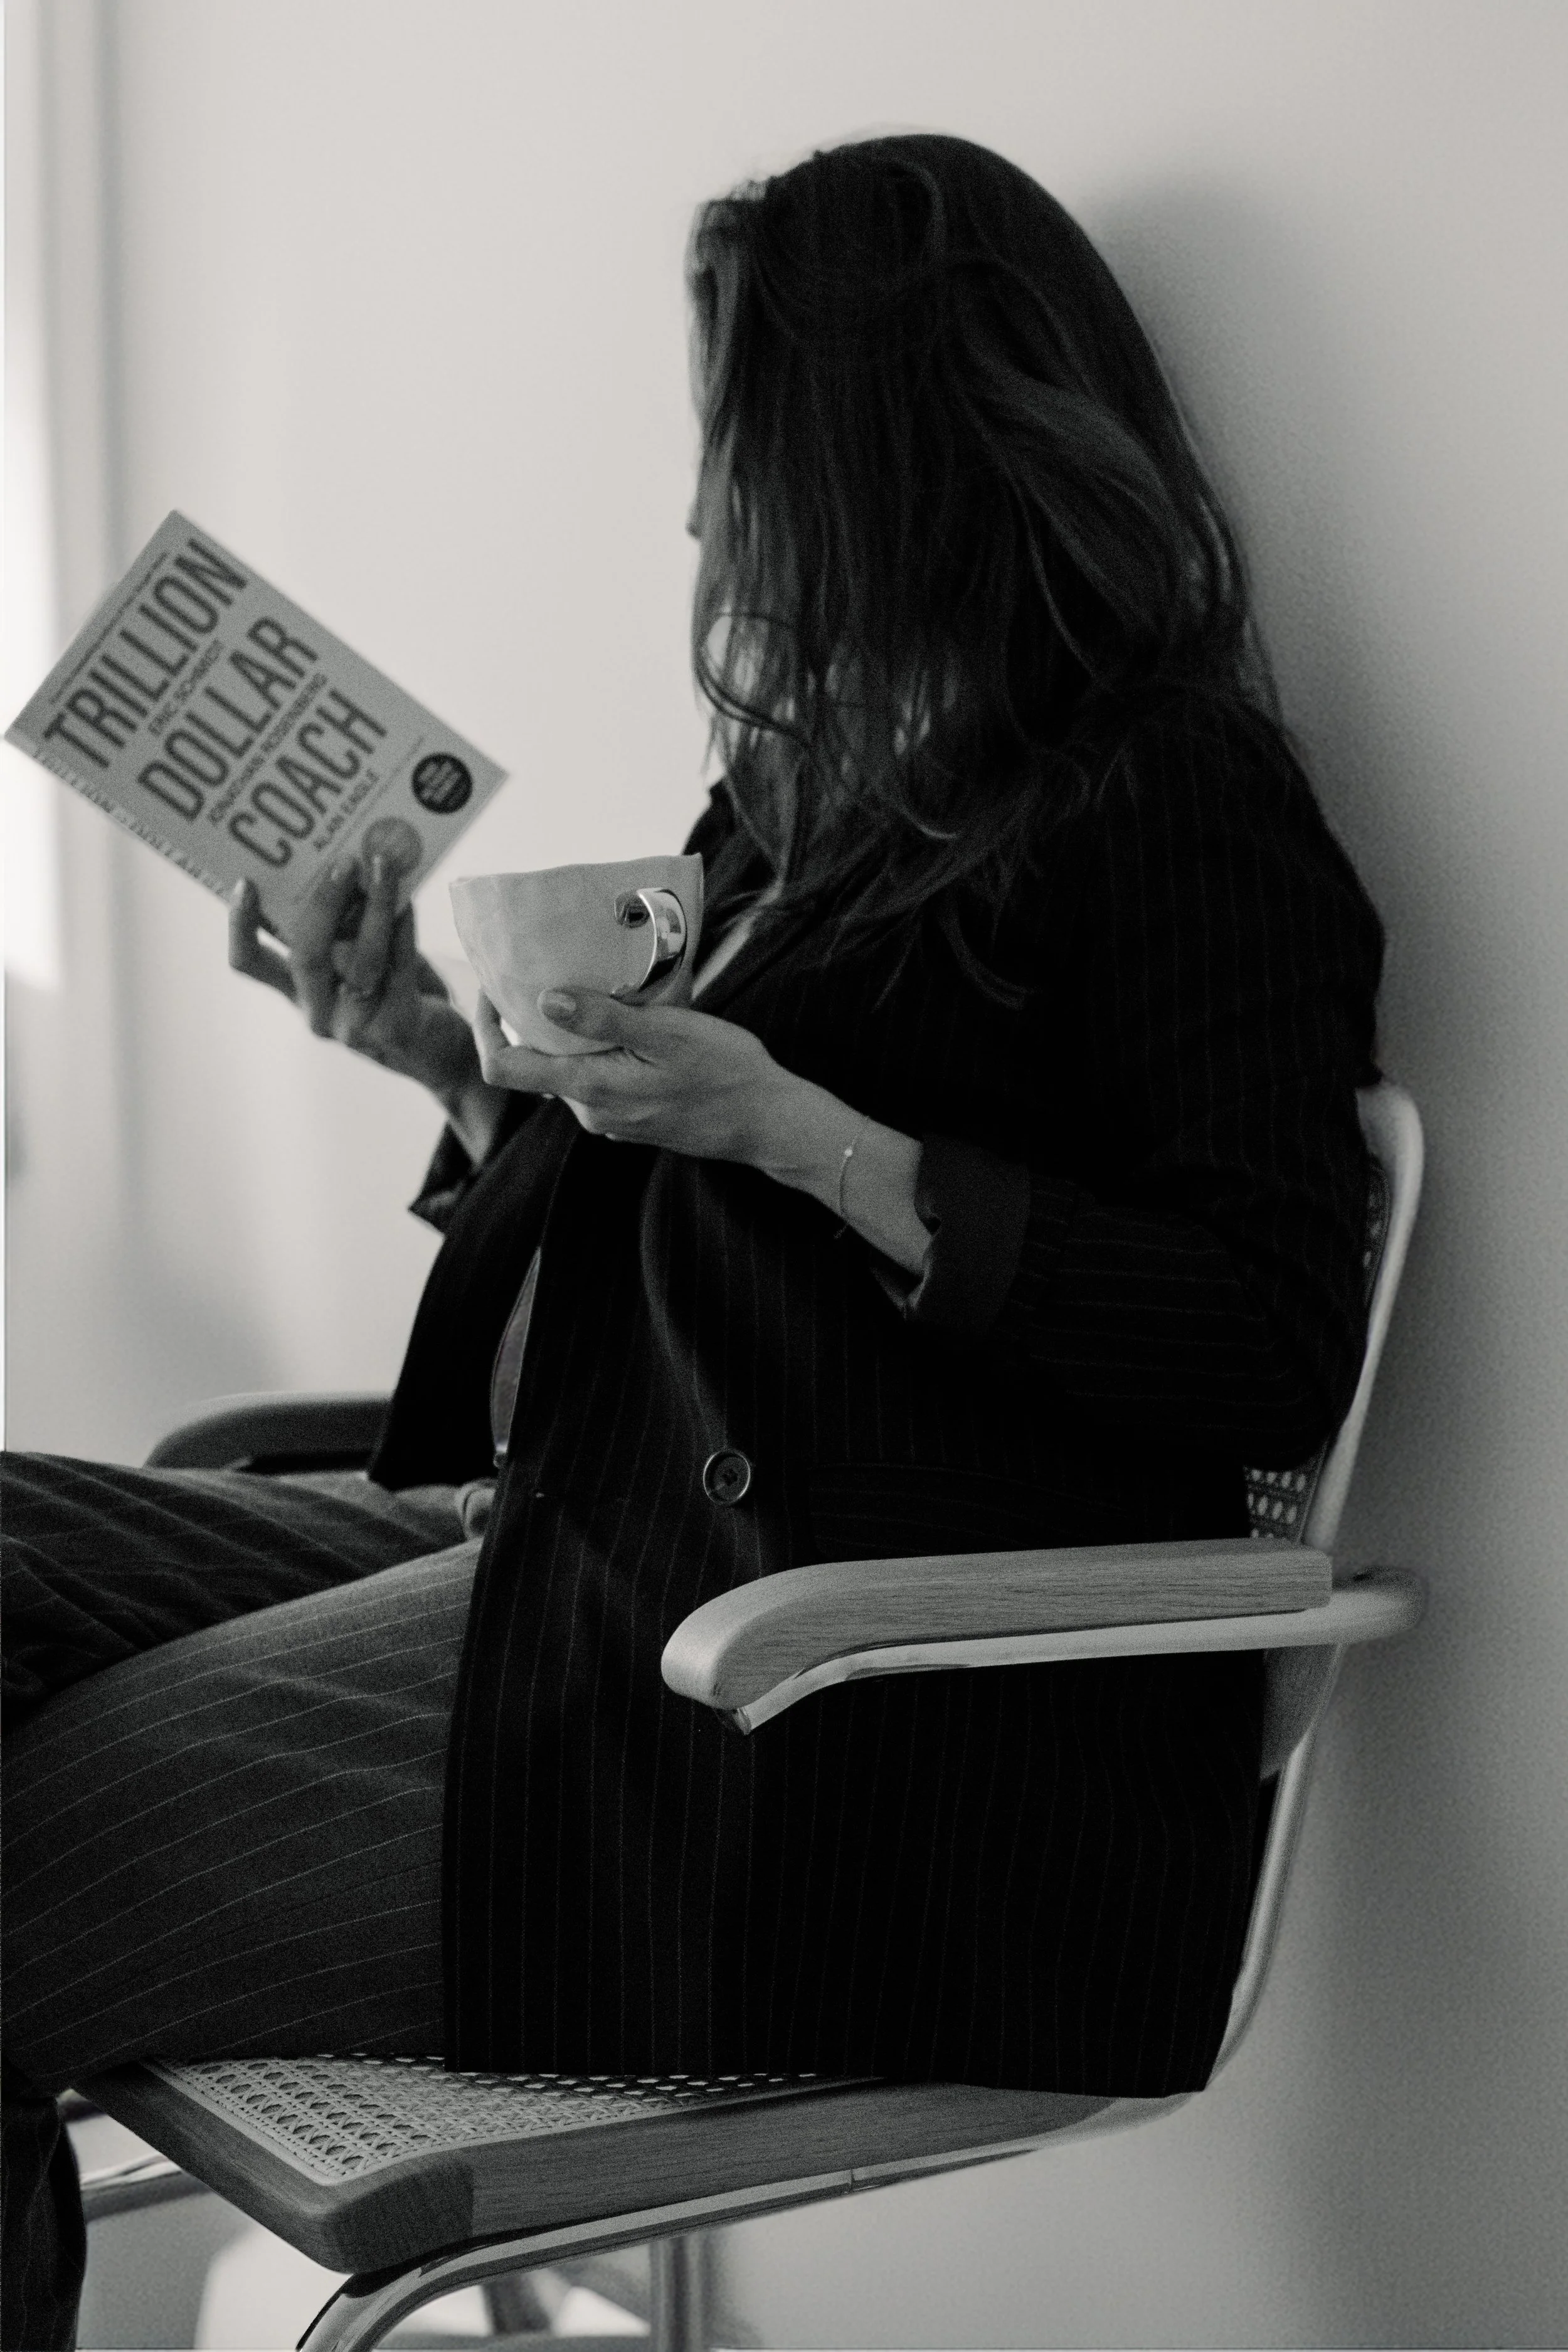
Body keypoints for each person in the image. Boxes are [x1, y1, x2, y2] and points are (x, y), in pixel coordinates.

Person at [1, 131, 1385, 2348]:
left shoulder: (1171, 803)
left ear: (863, 451)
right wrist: (444, 1071)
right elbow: (680, 1269)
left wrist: (824, 1136)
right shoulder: (813, 804)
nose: (692, 520)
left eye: (724, 450)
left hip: (798, 1714)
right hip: (596, 1537)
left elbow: (1266, 1337)